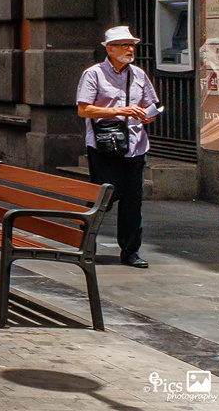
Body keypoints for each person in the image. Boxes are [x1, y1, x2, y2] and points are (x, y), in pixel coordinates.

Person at [78, 26, 160, 268]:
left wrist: (149, 115)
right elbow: (84, 109)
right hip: (105, 146)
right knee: (105, 196)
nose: (130, 49)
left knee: (134, 200)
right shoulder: (93, 74)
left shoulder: (139, 74)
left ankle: (130, 251)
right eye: (124, 45)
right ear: (110, 49)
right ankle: (85, 244)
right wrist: (119, 111)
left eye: (132, 45)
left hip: (136, 145)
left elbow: (150, 105)